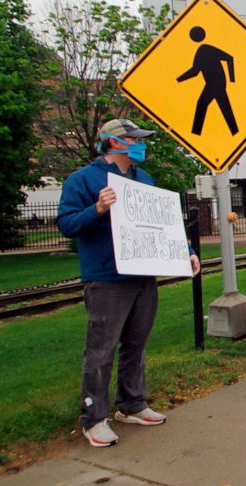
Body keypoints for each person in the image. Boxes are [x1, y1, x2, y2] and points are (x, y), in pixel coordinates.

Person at [57, 118, 201, 448]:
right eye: (134, 139)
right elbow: (66, 223)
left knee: (136, 343)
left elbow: (164, 224)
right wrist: (97, 208)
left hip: (143, 275)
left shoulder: (144, 178)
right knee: (101, 349)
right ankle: (94, 417)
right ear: (113, 143)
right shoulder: (83, 179)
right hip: (106, 278)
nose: (141, 144)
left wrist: (187, 251)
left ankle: (132, 403)